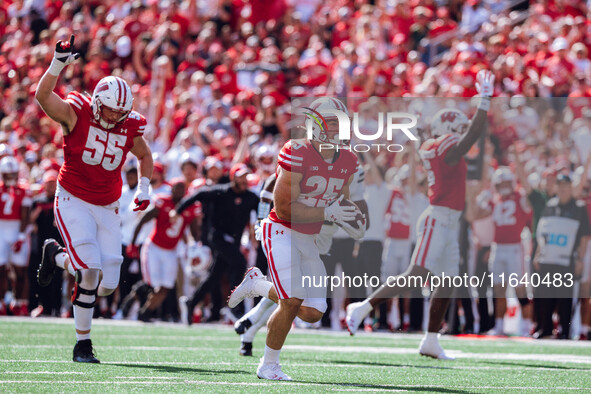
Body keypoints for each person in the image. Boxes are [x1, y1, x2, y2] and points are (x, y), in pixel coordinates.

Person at [345, 70, 495, 360]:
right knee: (417, 274)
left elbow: (468, 141)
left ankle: (430, 339)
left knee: (448, 280)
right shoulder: (443, 146)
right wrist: (485, 101)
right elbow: (471, 136)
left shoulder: (434, 145)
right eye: (459, 128)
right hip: (438, 218)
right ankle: (362, 307)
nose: (463, 132)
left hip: (449, 219)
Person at [34, 35, 153, 363]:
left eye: (120, 113)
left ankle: (55, 255)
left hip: (108, 206)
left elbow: (144, 156)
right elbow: (43, 96)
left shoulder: (129, 125)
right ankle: (82, 345)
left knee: (107, 284)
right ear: (98, 102)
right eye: (111, 111)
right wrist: (58, 63)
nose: (115, 118)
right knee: (89, 270)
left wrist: (144, 188)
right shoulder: (77, 113)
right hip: (73, 197)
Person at [227, 97, 364, 380]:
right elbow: (284, 207)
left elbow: (343, 200)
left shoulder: (348, 159)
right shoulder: (297, 151)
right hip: (281, 230)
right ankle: (269, 365)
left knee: (313, 312)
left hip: (308, 236)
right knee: (291, 300)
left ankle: (259, 285)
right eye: (331, 125)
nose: (338, 132)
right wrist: (328, 211)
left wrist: (351, 218)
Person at [173, 163, 259, 323]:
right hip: (218, 237)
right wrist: (177, 210)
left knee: (215, 276)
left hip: (233, 241)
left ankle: (191, 302)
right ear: (233, 178)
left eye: (246, 176)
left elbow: (265, 208)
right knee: (240, 262)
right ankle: (234, 307)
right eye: (241, 176)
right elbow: (198, 195)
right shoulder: (221, 191)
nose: (244, 180)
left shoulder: (250, 197)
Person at [127, 179, 201, 322]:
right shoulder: (163, 202)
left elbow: (194, 230)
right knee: (152, 284)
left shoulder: (190, 207)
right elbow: (143, 220)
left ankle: (145, 312)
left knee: (166, 286)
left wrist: (195, 246)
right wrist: (133, 243)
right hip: (154, 248)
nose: (179, 191)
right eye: (176, 187)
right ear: (171, 189)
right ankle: (136, 294)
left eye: (182, 188)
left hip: (171, 250)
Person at [473, 167, 532, 336]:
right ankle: (499, 326)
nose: (504, 186)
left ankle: (526, 326)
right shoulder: (494, 200)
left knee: (520, 289)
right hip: (497, 247)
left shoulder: (520, 198)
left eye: (507, 182)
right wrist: (483, 194)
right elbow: (475, 214)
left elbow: (528, 198)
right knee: (498, 289)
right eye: (501, 183)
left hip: (514, 247)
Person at [533, 173, 590, 339]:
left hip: (566, 259)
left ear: (570, 187)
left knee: (564, 297)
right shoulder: (550, 205)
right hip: (548, 257)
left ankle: (565, 330)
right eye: (560, 185)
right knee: (545, 295)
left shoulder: (579, 208)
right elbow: (542, 233)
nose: (563, 189)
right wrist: (538, 253)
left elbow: (584, 236)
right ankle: (545, 328)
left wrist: (580, 259)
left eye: (566, 186)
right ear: (556, 187)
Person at [0, 156, 32, 316]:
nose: (11, 177)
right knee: (1, 270)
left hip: (17, 229)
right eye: (8, 174)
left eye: (13, 174)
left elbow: (25, 215)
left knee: (20, 271)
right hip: (1, 228)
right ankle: (1, 303)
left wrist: (20, 236)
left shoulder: (24, 189)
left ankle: (21, 303)